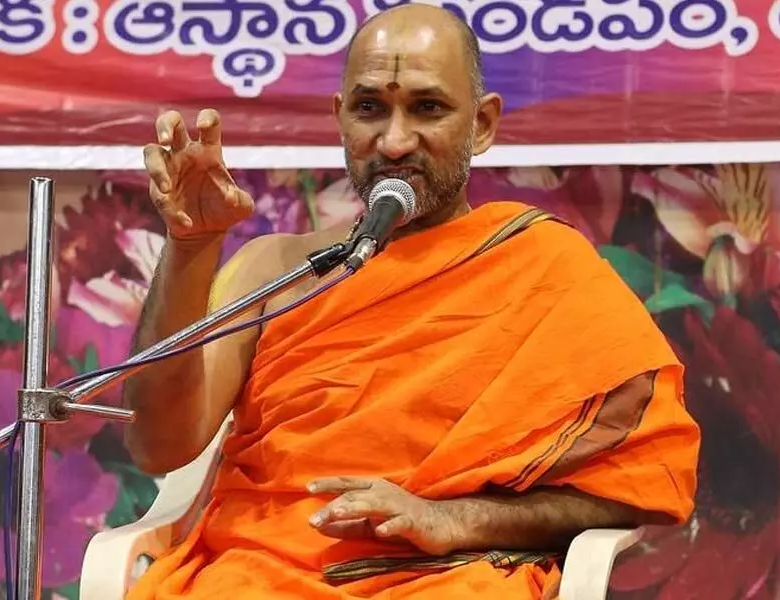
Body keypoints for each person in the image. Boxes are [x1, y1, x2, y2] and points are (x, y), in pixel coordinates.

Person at [122, 4, 701, 599]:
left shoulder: (547, 266)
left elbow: (635, 484)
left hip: (447, 577)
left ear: (482, 125)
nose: (394, 142)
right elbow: (158, 446)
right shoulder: (273, 269)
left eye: (428, 108)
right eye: (369, 108)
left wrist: (452, 519)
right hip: (256, 574)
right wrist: (192, 247)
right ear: (340, 117)